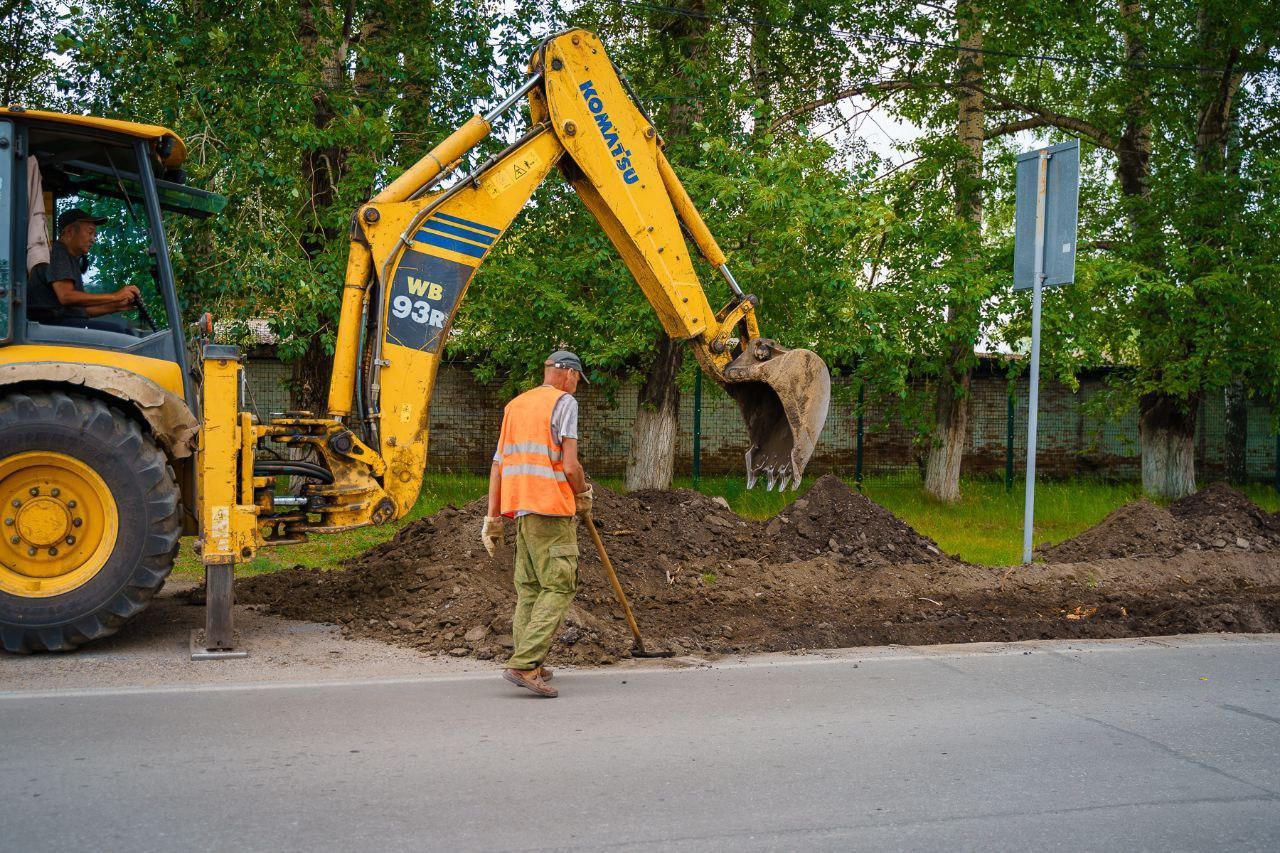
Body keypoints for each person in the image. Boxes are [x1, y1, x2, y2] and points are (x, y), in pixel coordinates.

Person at [483, 350, 593, 698]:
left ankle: (532, 658)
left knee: (530, 587)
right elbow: (570, 465)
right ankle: (525, 663)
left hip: (523, 510)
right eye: (577, 378)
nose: (577, 386)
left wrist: (493, 517)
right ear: (567, 373)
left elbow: (498, 465)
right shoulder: (564, 404)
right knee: (559, 585)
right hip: (552, 508)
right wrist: (584, 492)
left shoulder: (516, 405)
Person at [27, 208, 140, 327]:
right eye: (90, 232)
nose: (93, 240)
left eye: (95, 235)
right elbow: (66, 296)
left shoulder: (71, 258)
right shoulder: (58, 252)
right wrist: (115, 296)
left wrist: (116, 306)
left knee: (125, 333)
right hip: (50, 324)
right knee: (120, 333)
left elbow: (81, 312)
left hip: (62, 323)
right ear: (70, 232)